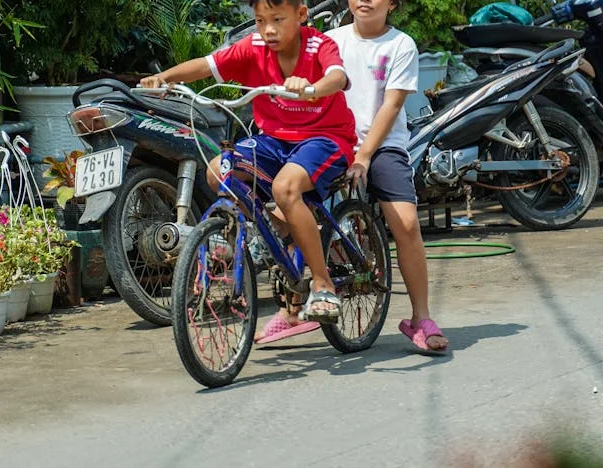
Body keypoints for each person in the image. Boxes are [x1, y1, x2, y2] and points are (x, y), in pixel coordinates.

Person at [139, 0, 357, 343]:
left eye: (277, 20)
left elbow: (338, 77)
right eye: (260, 21)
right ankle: (275, 229)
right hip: (272, 140)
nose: (268, 29)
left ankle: (323, 284)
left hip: (325, 139)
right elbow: (206, 66)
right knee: (218, 171)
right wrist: (164, 79)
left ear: (301, 16)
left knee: (286, 189)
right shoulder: (252, 47)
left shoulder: (319, 45)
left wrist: (312, 87)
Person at [325, 0, 449, 352]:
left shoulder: (400, 45)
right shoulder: (330, 40)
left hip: (382, 147)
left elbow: (391, 105)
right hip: (334, 141)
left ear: (393, 3)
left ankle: (420, 318)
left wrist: (364, 156)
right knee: (292, 203)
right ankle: (291, 310)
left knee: (407, 224)